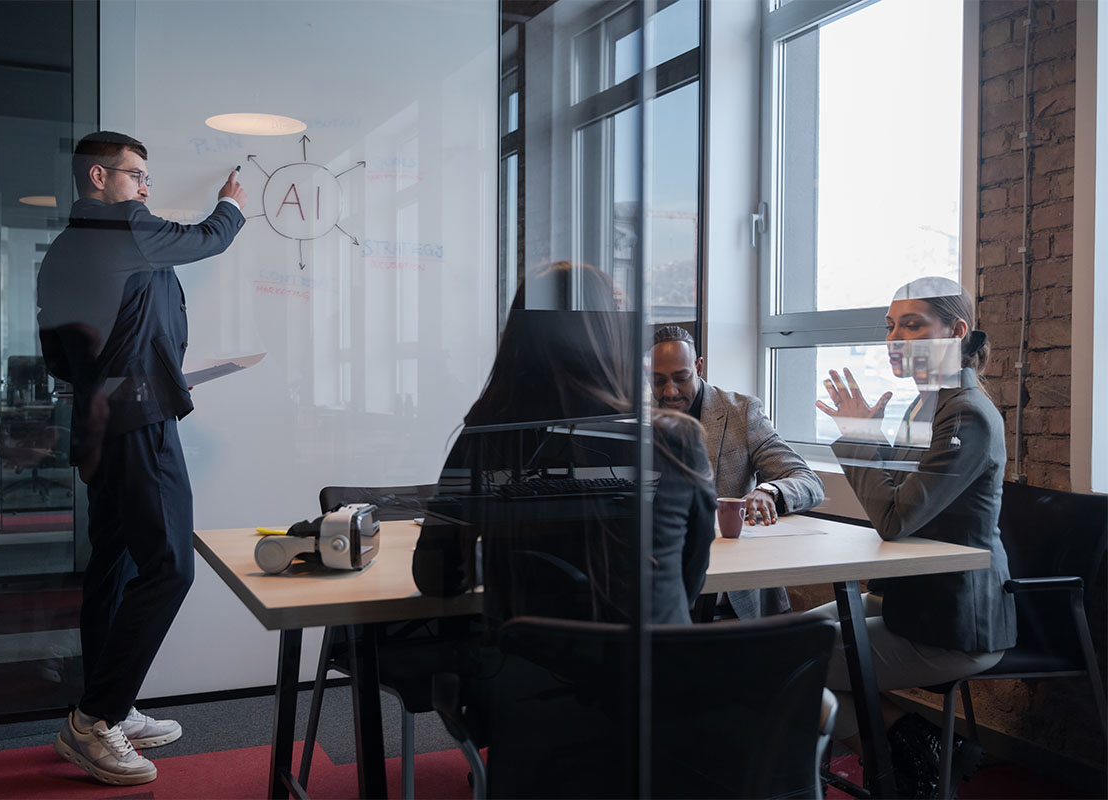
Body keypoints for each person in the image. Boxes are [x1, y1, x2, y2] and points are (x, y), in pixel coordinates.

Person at [37, 131, 247, 786]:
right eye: (138, 176)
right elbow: (208, 238)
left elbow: (60, 352)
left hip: (102, 420)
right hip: (137, 421)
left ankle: (109, 705)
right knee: (169, 568)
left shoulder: (65, 249)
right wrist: (232, 205)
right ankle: (95, 721)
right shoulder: (120, 224)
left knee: (117, 565)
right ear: (98, 177)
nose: (146, 190)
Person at [413, 263, 716, 625]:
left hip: (532, 670)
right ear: (613, 338)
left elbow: (437, 575)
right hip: (652, 669)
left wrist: (504, 560)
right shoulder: (674, 438)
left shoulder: (486, 437)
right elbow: (688, 577)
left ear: (519, 340)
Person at [812, 276, 1016, 798]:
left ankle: (902, 755)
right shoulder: (925, 405)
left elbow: (895, 519)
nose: (894, 338)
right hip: (914, 599)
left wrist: (859, 440)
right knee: (797, 632)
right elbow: (901, 501)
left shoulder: (965, 413)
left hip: (954, 622)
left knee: (790, 655)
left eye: (912, 324)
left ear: (956, 331)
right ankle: (918, 744)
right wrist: (873, 443)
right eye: (890, 326)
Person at [649, 325, 824, 619]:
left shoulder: (741, 412)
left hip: (729, 595)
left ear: (699, 366)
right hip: (656, 580)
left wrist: (768, 491)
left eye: (681, 378)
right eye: (659, 381)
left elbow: (809, 483)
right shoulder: (635, 418)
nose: (670, 391)